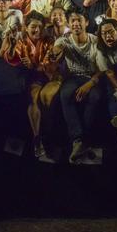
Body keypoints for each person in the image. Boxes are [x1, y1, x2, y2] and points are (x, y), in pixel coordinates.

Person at [2, 12, 60, 158]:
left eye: (40, 27)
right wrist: (11, 47)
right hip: (28, 78)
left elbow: (48, 64)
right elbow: (11, 58)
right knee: (32, 98)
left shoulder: (49, 41)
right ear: (26, 27)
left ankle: (47, 137)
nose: (37, 30)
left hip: (46, 76)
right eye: (33, 27)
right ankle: (36, 138)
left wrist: (33, 65)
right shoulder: (21, 41)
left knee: (44, 98)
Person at [49, 9, 103, 163]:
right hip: (73, 77)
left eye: (79, 20)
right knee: (65, 95)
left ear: (86, 23)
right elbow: (56, 51)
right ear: (68, 23)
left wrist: (89, 84)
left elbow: (102, 69)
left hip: (92, 77)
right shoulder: (63, 40)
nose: (76, 23)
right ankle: (78, 140)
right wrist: (54, 54)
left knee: (95, 97)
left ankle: (82, 140)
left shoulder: (95, 41)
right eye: (72, 20)